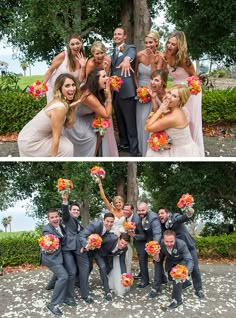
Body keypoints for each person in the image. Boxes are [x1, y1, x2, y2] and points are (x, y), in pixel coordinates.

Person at [162, 31, 205, 156]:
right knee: (180, 117)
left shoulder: (184, 60)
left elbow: (194, 78)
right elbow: (165, 74)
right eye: (168, 43)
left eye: (173, 44)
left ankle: (194, 150)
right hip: (176, 90)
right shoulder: (165, 56)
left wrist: (184, 88)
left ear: (179, 46)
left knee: (191, 119)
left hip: (190, 91)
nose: (169, 46)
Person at [18, 73, 79, 157]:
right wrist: (52, 160)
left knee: (67, 145)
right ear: (60, 88)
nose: (72, 88)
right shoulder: (59, 107)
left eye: (73, 85)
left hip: (33, 135)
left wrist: (72, 107)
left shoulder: (62, 101)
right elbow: (55, 138)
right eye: (67, 86)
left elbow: (69, 125)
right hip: (30, 141)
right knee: (67, 147)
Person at [64, 67, 118, 157]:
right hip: (75, 121)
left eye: (107, 75)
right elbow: (107, 115)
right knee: (92, 137)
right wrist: (109, 97)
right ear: (96, 80)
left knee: (101, 129)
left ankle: (95, 154)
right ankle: (91, 155)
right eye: (104, 76)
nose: (108, 78)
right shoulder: (89, 95)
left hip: (87, 117)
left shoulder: (98, 91)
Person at [158, 207, 204, 299]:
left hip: (188, 246)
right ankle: (186, 282)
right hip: (177, 249)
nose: (160, 215)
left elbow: (182, 218)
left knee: (194, 268)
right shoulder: (163, 225)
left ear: (168, 213)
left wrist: (189, 214)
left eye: (162, 213)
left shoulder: (175, 217)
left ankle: (199, 289)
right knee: (175, 269)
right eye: (158, 214)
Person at [145, 84, 201, 157]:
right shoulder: (174, 109)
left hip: (182, 152)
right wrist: (153, 99)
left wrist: (160, 109)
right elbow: (159, 118)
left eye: (174, 96)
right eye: (169, 93)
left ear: (180, 101)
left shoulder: (173, 117)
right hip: (178, 147)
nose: (169, 97)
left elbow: (147, 128)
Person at [40, 209, 76, 316]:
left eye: (56, 216)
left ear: (59, 217)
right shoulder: (47, 230)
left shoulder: (60, 226)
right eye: (52, 217)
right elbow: (47, 240)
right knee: (63, 276)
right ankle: (53, 304)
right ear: (48, 219)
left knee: (70, 272)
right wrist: (48, 247)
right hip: (51, 258)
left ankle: (63, 295)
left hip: (60, 255)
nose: (55, 219)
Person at [111, 27, 139, 156]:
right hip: (115, 92)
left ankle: (134, 150)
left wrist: (127, 59)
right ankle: (124, 144)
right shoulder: (113, 52)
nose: (116, 36)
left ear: (124, 37)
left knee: (130, 121)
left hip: (127, 91)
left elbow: (131, 56)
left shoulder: (130, 48)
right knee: (120, 120)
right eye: (115, 34)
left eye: (119, 34)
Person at [78, 213, 115, 301]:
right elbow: (81, 235)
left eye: (111, 222)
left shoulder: (109, 229)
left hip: (97, 250)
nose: (109, 224)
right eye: (107, 221)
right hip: (86, 249)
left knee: (103, 267)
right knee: (87, 268)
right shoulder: (94, 225)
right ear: (103, 220)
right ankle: (83, 290)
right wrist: (87, 246)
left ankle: (107, 292)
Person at [43, 33, 87, 103]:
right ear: (69, 46)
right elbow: (50, 71)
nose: (75, 46)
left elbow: (81, 79)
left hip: (67, 91)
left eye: (77, 43)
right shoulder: (63, 56)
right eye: (72, 44)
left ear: (81, 43)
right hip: (53, 88)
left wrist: (83, 66)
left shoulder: (83, 60)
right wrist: (42, 86)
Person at [158, 230, 194, 309]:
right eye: (167, 241)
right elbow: (159, 258)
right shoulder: (160, 243)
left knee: (177, 279)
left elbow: (190, 260)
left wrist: (185, 273)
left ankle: (177, 300)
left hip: (181, 262)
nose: (169, 244)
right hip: (170, 262)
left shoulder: (182, 244)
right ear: (163, 240)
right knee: (170, 278)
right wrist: (155, 256)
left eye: (171, 241)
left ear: (175, 239)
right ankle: (187, 283)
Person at [136, 202, 163, 298]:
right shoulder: (139, 216)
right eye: (138, 210)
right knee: (142, 259)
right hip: (146, 241)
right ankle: (145, 281)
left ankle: (158, 285)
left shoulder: (154, 218)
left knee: (157, 262)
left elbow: (157, 233)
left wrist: (154, 248)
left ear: (147, 209)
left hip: (157, 242)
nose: (140, 212)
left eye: (142, 210)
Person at [99, 232, 130, 297]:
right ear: (119, 239)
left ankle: (104, 279)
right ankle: (106, 290)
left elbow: (122, 261)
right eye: (122, 243)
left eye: (125, 244)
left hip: (110, 255)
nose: (123, 246)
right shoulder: (110, 240)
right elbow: (100, 241)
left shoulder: (125, 248)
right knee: (103, 267)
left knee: (110, 267)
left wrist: (124, 274)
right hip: (100, 253)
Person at [122, 203, 146, 275]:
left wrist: (134, 235)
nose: (125, 211)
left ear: (132, 210)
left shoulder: (137, 220)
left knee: (142, 262)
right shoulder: (127, 217)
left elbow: (144, 236)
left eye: (127, 210)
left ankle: (145, 281)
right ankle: (142, 275)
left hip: (142, 243)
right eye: (124, 210)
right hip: (135, 242)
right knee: (141, 261)